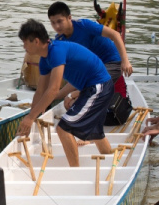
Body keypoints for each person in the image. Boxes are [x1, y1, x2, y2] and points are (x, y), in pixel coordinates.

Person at [17, 19, 113, 167]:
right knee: (95, 132)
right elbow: (41, 91)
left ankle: (74, 172)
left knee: (63, 128)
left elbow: (53, 89)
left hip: (98, 86)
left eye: (25, 42)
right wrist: (33, 117)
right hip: (91, 88)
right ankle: (112, 164)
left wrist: (30, 118)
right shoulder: (44, 60)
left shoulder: (56, 51)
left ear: (36, 41)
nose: (23, 47)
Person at [47, 1, 132, 85]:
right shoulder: (59, 40)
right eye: (53, 23)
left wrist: (125, 61)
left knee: (89, 88)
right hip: (94, 68)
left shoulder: (84, 25)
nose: (56, 26)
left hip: (111, 61)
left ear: (69, 18)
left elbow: (115, 34)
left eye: (59, 21)